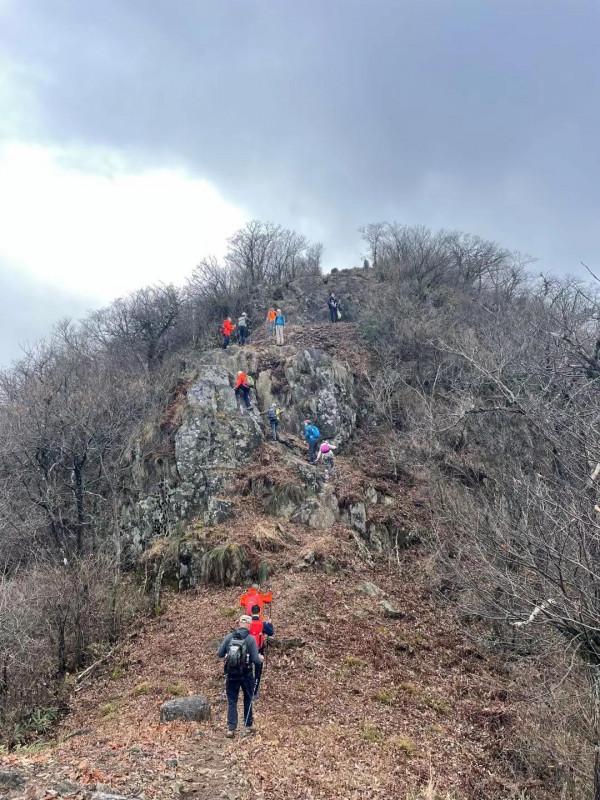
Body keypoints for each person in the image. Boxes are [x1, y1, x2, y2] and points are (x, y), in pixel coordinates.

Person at [217, 615, 264, 738]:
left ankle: (231, 728)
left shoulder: (229, 637)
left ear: (239, 624)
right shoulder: (251, 639)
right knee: (248, 698)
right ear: (249, 625)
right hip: (246, 674)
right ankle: (248, 726)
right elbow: (256, 660)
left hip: (231, 674)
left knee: (232, 701)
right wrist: (261, 658)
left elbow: (220, 653)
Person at [249, 604, 274, 700]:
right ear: (259, 612)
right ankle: (255, 692)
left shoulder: (248, 624)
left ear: (251, 612)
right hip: (259, 650)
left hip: (249, 650)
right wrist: (269, 623)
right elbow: (271, 632)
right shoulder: (262, 624)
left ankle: (249, 689)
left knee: (249, 670)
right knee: (258, 671)